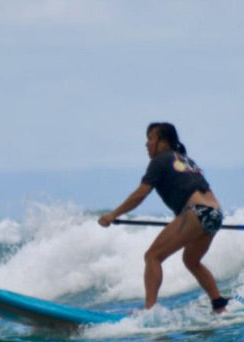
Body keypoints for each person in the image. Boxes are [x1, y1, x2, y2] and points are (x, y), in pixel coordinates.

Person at [98, 122, 230, 313]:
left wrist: (112, 215)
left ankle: (149, 310)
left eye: (151, 138)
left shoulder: (160, 160)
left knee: (152, 256)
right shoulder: (186, 161)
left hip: (196, 212)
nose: (146, 144)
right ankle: (219, 305)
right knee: (191, 261)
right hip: (215, 214)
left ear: (163, 142)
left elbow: (140, 194)